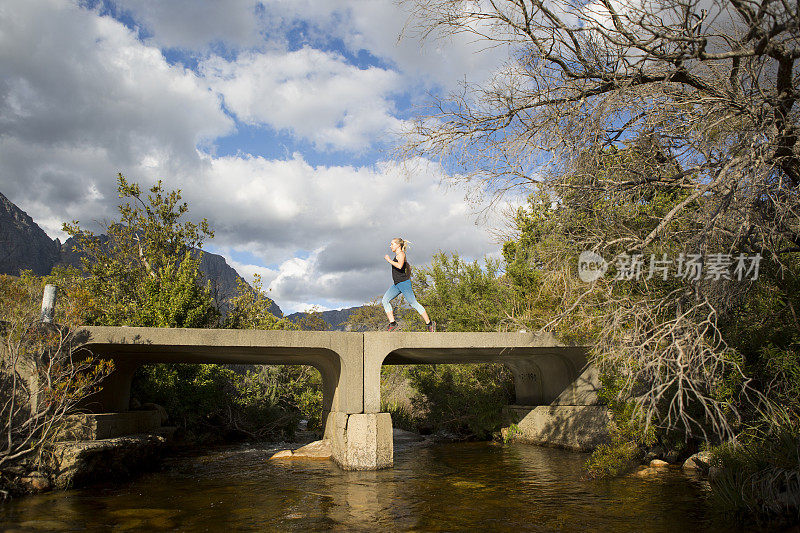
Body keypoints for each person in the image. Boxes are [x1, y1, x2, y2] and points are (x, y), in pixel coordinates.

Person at [382, 237, 435, 332]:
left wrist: (389, 260)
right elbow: (409, 267)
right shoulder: (399, 255)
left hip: (403, 283)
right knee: (385, 300)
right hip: (397, 284)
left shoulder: (401, 254)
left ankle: (430, 323)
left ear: (398, 245)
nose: (390, 246)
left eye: (392, 244)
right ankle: (393, 323)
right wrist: (408, 276)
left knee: (413, 303)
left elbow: (400, 266)